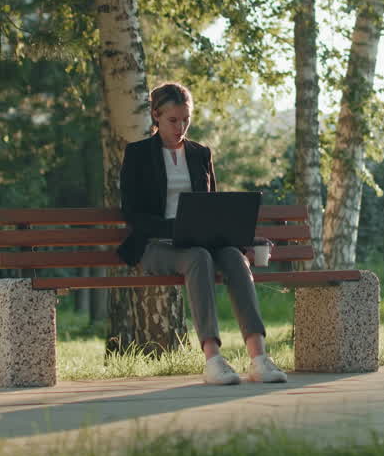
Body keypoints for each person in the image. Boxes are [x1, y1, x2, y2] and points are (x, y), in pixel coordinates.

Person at [115, 82, 288, 385]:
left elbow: (213, 209)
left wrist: (246, 241)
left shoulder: (200, 154)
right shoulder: (138, 154)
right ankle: (213, 360)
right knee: (197, 257)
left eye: (186, 119)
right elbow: (133, 216)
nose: (180, 127)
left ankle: (259, 358)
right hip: (155, 246)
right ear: (156, 115)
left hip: (200, 241)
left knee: (234, 258)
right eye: (173, 120)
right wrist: (177, 228)